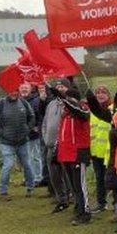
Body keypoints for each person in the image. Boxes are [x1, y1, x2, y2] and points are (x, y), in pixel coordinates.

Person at [50, 84, 92, 226]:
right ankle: (78, 208)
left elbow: (78, 110)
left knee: (80, 185)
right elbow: (60, 135)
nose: (66, 102)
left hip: (78, 153)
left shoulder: (82, 110)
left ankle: (85, 212)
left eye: (69, 98)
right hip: (66, 153)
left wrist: (62, 97)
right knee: (74, 186)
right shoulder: (65, 115)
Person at [0, 84, 36, 199]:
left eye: (16, 91)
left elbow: (32, 117)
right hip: (6, 142)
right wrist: (2, 133)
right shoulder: (0, 104)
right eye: (11, 91)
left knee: (27, 165)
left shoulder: (24, 103)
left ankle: (30, 187)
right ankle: (3, 190)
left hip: (23, 141)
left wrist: (27, 129)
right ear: (7, 92)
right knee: (8, 165)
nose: (14, 93)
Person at [39, 79, 71, 212]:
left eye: (62, 86)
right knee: (54, 175)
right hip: (51, 145)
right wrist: (46, 137)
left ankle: (72, 196)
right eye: (57, 86)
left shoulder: (69, 103)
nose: (59, 89)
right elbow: (45, 122)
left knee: (67, 174)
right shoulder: (51, 104)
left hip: (64, 145)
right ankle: (61, 199)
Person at [88, 85, 112, 213]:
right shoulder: (92, 111)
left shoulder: (112, 109)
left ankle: (115, 204)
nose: (100, 95)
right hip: (96, 151)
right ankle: (101, 203)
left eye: (103, 92)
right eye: (98, 92)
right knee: (99, 178)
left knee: (110, 179)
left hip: (109, 151)